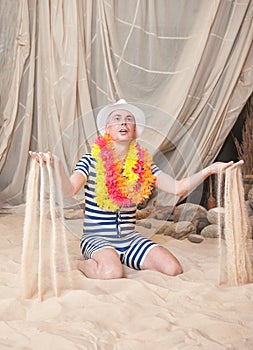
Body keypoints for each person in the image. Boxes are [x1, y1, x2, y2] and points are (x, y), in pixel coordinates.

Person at [30, 99, 233, 280]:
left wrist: (210, 170)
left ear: (134, 130)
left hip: (129, 239)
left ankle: (121, 258)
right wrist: (56, 166)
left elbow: (178, 188)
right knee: (111, 273)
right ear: (106, 129)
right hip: (97, 238)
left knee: (173, 269)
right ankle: (79, 263)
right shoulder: (91, 160)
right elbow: (69, 190)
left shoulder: (143, 164)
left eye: (129, 119)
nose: (123, 122)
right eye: (117, 118)